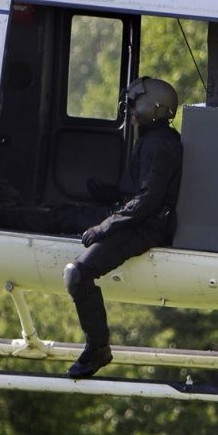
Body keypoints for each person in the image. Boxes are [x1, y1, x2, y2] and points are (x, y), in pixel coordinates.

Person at [64, 77, 184, 379]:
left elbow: (146, 202)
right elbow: (137, 192)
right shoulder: (152, 139)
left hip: (147, 228)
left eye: (133, 105)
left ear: (153, 107)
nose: (130, 111)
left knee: (78, 274)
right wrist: (106, 194)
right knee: (64, 216)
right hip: (137, 218)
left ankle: (98, 349)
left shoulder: (161, 145)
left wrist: (103, 228)